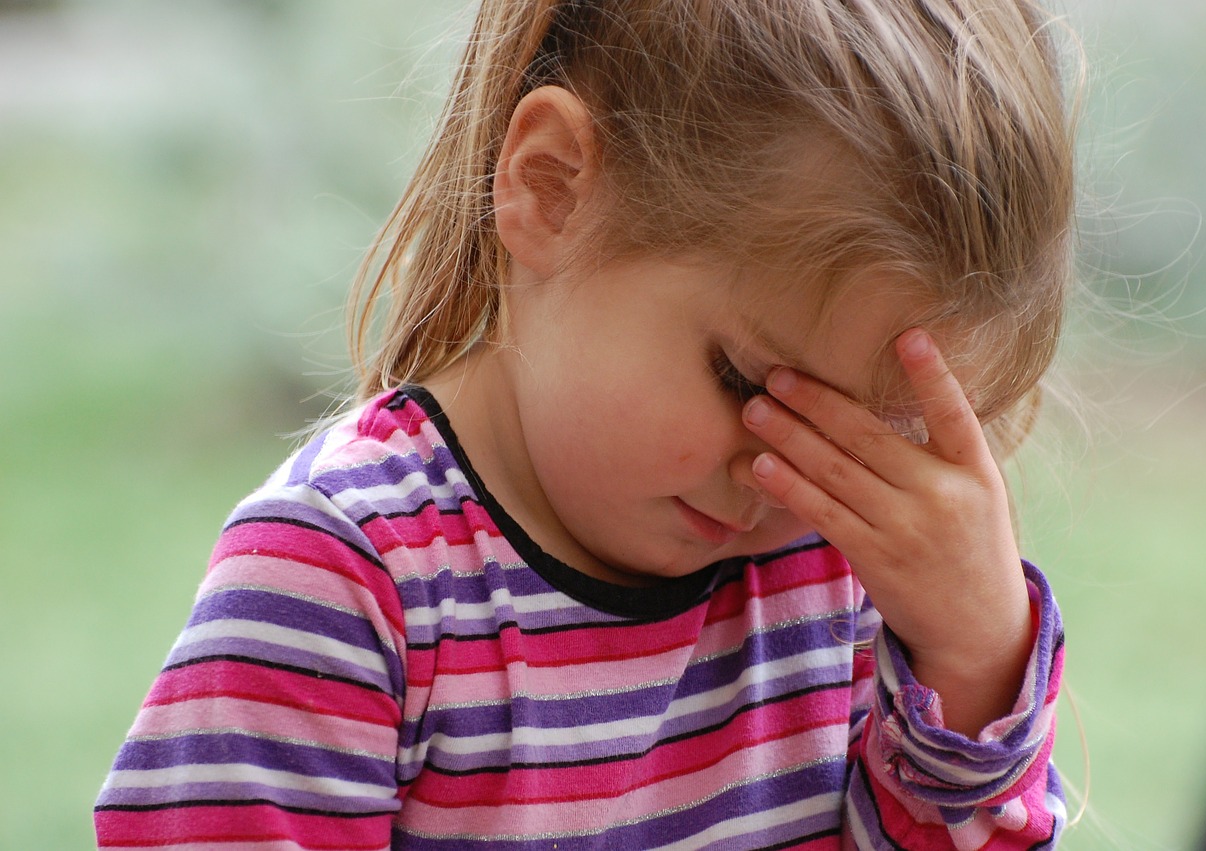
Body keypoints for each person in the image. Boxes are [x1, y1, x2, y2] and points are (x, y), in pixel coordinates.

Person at [95, 0, 1076, 847]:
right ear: (553, 187)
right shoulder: (345, 586)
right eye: (744, 380)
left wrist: (971, 662)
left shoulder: (843, 557)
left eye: (877, 435)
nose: (783, 475)